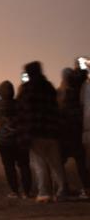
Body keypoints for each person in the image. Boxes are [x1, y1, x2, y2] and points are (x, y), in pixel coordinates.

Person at [17, 61, 67, 202]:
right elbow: (56, 108)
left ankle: (44, 193)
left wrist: (23, 133)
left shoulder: (26, 89)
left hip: (35, 132)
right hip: (52, 131)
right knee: (56, 164)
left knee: (39, 165)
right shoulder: (49, 87)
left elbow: (22, 112)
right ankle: (62, 191)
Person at [0, 80, 32, 198]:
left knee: (9, 166)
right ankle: (27, 192)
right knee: (24, 165)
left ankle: (14, 191)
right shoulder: (18, 103)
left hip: (4, 141)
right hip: (19, 139)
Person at [56, 67, 90, 197]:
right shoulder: (78, 92)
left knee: (59, 162)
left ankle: (62, 188)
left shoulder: (59, 92)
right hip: (77, 131)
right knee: (81, 163)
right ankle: (87, 188)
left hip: (64, 133)